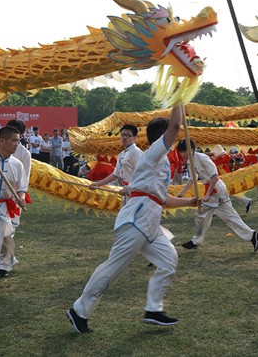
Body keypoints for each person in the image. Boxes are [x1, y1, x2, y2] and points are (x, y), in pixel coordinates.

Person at [66, 105, 200, 333]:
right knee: (113, 268)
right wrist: (180, 98)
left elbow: (162, 198)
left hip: (150, 222)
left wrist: (190, 202)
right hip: (137, 221)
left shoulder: (161, 160)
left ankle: (153, 309)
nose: (175, 134)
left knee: (169, 259)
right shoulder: (154, 153)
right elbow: (176, 126)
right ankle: (79, 310)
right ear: (163, 135)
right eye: (170, 132)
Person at [176, 138, 258, 252]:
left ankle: (196, 241)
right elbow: (192, 179)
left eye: (183, 151)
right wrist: (181, 194)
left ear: (191, 149)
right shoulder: (190, 162)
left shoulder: (203, 158)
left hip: (216, 190)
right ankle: (253, 236)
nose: (182, 154)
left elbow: (214, 178)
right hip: (213, 191)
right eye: (181, 152)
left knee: (200, 215)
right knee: (230, 217)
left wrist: (207, 195)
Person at [0, 127, 28, 277]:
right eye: (14, 140)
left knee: (6, 236)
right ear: (2, 141)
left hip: (4, 206)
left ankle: (4, 266)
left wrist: (21, 198)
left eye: (18, 140)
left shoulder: (17, 164)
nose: (17, 144)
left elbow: (22, 187)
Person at [89, 124, 142, 204]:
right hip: (128, 192)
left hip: (137, 193)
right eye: (123, 135)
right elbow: (115, 174)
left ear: (134, 138)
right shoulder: (122, 154)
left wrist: (129, 188)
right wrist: (98, 184)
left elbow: (143, 174)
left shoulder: (136, 153)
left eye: (128, 136)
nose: (125, 138)